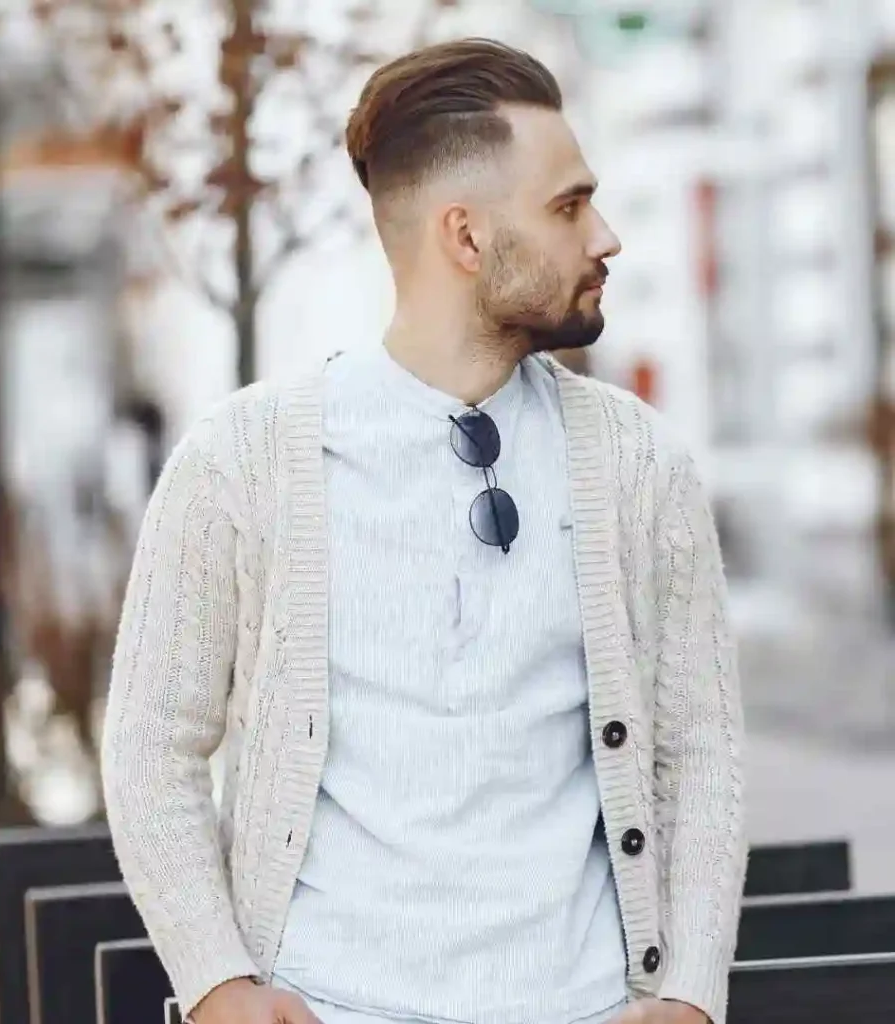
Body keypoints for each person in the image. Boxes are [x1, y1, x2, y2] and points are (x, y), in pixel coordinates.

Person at [102, 38, 746, 1024]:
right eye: (569, 206)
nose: (606, 236)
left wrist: (690, 995)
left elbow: (698, 749)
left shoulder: (640, 464)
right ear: (466, 237)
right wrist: (217, 980)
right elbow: (152, 741)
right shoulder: (240, 461)